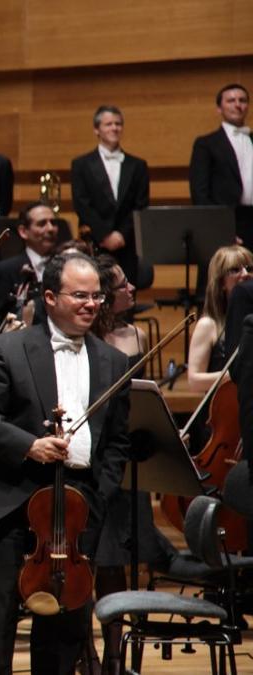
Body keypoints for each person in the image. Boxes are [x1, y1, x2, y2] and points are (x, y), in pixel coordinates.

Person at [0, 251, 130, 675]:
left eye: (97, 297)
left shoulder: (113, 361)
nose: (92, 304)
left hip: (76, 514)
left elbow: (116, 443)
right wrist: (29, 445)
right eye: (80, 296)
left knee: (63, 639)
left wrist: (97, 500)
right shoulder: (8, 348)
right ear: (50, 298)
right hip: (12, 507)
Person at [89, 253, 176, 673]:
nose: (130, 290)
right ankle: (81, 653)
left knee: (114, 562)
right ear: (104, 296)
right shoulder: (83, 338)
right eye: (121, 285)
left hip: (125, 459)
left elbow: (145, 394)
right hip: (89, 458)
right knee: (86, 560)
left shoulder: (135, 335)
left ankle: (113, 655)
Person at [71, 105, 150, 282]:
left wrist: (121, 234)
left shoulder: (138, 165)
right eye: (108, 124)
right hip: (95, 242)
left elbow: (141, 205)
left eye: (118, 124)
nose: (114, 128)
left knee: (127, 295)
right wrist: (105, 235)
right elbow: (81, 203)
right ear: (96, 130)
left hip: (127, 244)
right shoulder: (81, 164)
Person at [190, 84, 253, 245]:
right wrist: (220, 228)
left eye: (242, 100)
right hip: (226, 220)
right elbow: (200, 193)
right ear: (219, 108)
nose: (237, 105)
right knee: (226, 269)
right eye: (231, 100)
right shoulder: (206, 144)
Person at [0, 202, 60, 330]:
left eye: (53, 223)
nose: (50, 228)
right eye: (42, 224)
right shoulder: (4, 271)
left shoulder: (65, 267)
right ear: (23, 231)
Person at [189, 245, 253, 392]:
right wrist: (237, 374)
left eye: (249, 269)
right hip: (221, 408)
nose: (245, 274)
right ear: (221, 282)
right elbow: (194, 381)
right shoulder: (208, 324)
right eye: (235, 270)